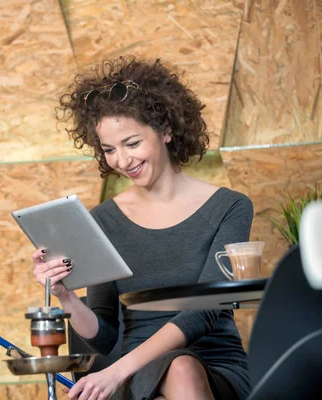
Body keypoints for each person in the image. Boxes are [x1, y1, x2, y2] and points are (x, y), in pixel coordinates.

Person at [31, 56, 253, 400]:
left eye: (132, 143)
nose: (122, 161)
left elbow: (204, 312)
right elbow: (104, 336)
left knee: (180, 367)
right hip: (136, 376)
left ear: (166, 130)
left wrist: (115, 373)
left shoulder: (230, 207)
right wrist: (65, 295)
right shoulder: (103, 220)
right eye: (109, 149)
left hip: (212, 368)